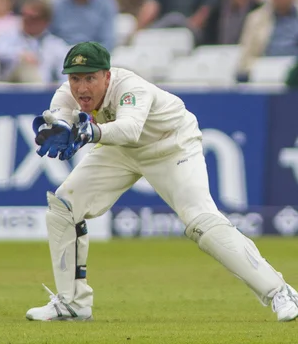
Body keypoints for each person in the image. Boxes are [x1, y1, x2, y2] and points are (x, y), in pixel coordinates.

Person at [25, 41, 298, 322]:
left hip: (171, 144)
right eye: (75, 79)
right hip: (120, 150)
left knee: (201, 221)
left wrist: (88, 133)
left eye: (90, 78)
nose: (82, 88)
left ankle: (280, 291)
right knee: (64, 206)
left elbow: (130, 129)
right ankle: (72, 304)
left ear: (107, 76)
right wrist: (59, 129)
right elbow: (58, 120)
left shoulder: (131, 88)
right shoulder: (66, 95)